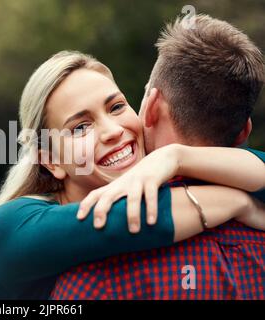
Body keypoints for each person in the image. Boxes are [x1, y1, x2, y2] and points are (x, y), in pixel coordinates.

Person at [0, 49, 265, 300]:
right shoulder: (12, 225)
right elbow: (130, 220)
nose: (112, 131)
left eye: (117, 106)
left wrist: (176, 157)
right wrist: (240, 203)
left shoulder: (177, 180)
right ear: (51, 160)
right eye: (80, 127)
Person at [51, 15, 265, 300]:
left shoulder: (94, 275)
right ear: (244, 132)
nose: (111, 132)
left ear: (151, 106)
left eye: (116, 107)